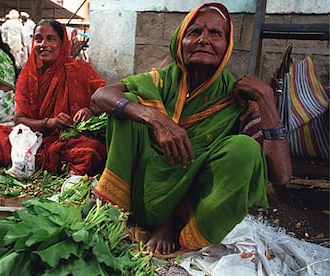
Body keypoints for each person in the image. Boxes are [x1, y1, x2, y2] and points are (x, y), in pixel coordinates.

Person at [91, 2, 292, 256]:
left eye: (215, 34)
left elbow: (282, 176)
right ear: (180, 41)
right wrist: (156, 119)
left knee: (245, 150)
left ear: (227, 46)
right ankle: (117, 210)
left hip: (189, 202)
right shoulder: (161, 80)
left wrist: (265, 98)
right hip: (141, 188)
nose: (203, 40)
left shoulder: (237, 98)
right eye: (194, 32)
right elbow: (101, 95)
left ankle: (175, 224)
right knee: (125, 106)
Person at [0, 20, 107, 177]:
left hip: (68, 140)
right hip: (33, 137)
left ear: (63, 43)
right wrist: (49, 122)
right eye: (38, 39)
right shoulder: (29, 75)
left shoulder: (80, 70)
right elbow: (19, 120)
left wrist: (89, 110)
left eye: (51, 38)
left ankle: (32, 160)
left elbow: (104, 99)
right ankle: (50, 162)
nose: (43, 44)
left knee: (92, 150)